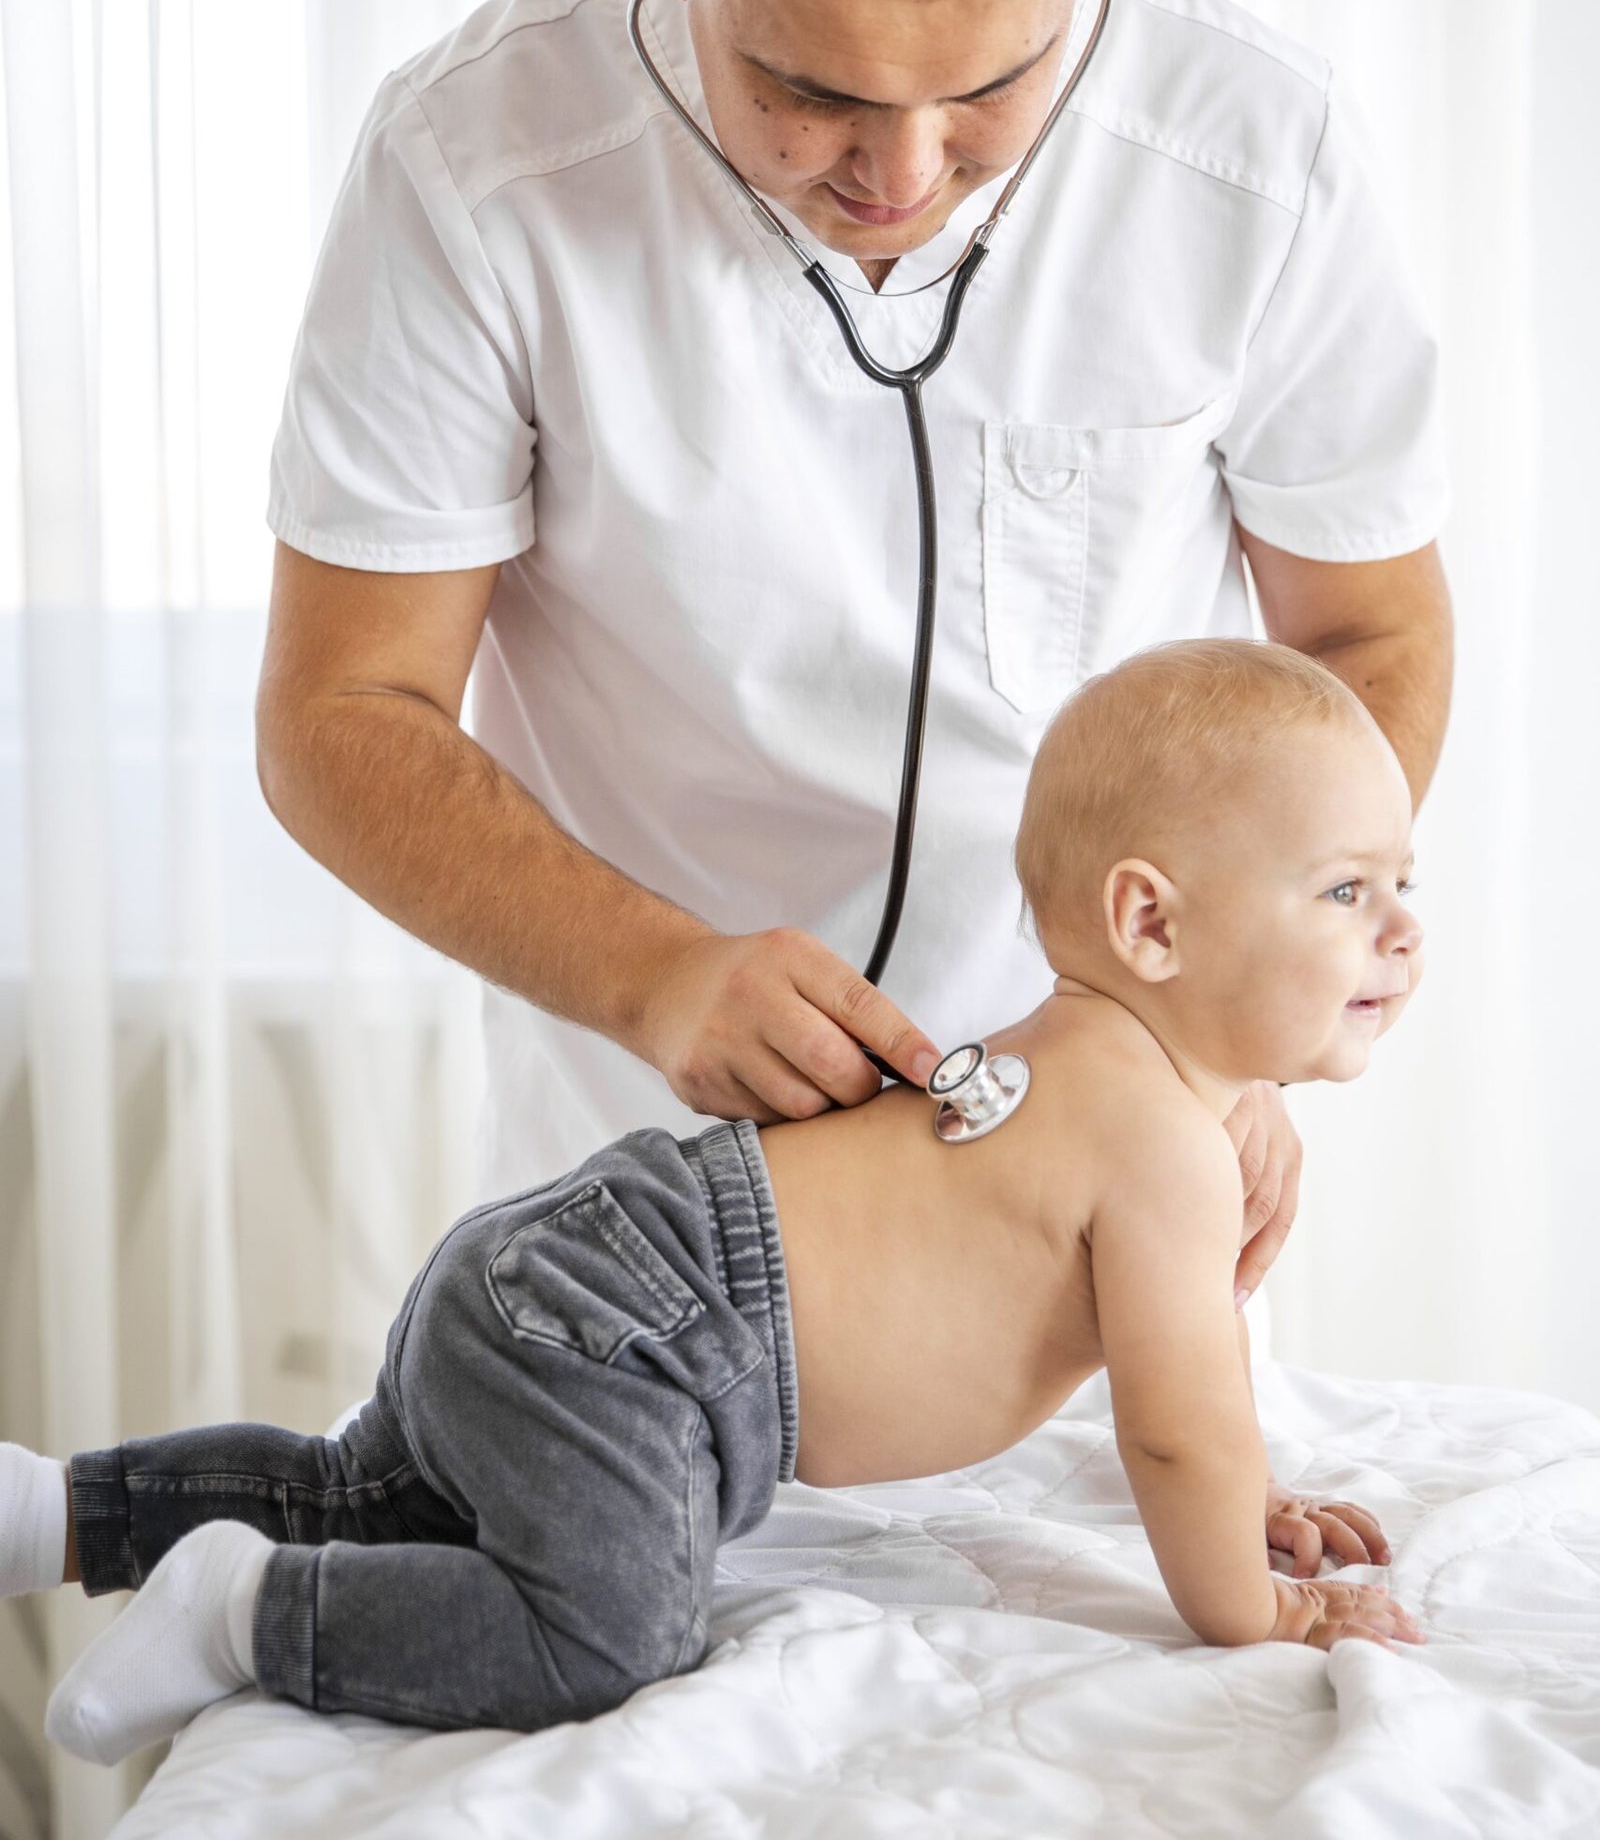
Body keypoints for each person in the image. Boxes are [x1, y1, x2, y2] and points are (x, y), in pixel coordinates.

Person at [257, 0, 1452, 1304]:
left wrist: (1219, 1037)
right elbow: (337, 717)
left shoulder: (1261, 153)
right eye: (808, 90)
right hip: (633, 1206)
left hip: (1120, 1188)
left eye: (989, 85)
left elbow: (1365, 635)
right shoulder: (472, 165)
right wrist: (656, 974)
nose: (901, 175)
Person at [5, 641, 1426, 1763]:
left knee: (374, 1499)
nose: (1402, 929)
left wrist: (1256, 1492)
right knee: (602, 1637)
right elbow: (1177, 1438)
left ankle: (67, 1514)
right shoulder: (1161, 1147)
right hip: (643, 1337)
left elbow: (1199, 1414)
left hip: (576, 1271)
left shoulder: (1093, 1073)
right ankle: (243, 1612)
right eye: (1348, 891)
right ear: (1152, 923)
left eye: (1404, 884)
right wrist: (1268, 1606)